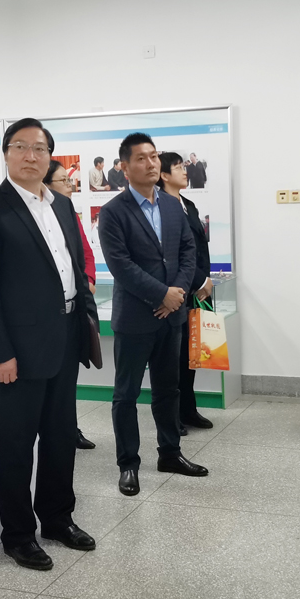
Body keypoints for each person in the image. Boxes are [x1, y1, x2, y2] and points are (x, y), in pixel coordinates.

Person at [0, 118, 99, 571]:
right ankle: (18, 534)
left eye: (39, 148)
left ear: (49, 156)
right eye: (20, 147)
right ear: (5, 153)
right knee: (16, 445)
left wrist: (84, 325)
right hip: (17, 351)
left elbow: (74, 268)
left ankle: (58, 518)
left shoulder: (62, 205)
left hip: (65, 338)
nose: (30, 156)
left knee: (60, 437)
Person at [98, 133, 209, 497]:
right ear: (124, 167)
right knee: (126, 394)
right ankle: (128, 464)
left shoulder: (173, 207)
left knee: (168, 390)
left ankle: (170, 453)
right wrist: (162, 294)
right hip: (135, 318)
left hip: (171, 316)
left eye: (154, 156)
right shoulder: (113, 212)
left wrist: (176, 294)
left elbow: (187, 253)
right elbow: (121, 265)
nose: (150, 163)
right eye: (141, 158)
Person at [158, 152, 215, 434]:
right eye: (178, 167)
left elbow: (199, 247)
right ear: (164, 175)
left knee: (192, 355)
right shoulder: (160, 207)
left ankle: (189, 409)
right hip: (177, 290)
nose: (184, 172)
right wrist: (199, 279)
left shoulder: (188, 205)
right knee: (173, 360)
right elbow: (175, 255)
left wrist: (206, 280)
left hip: (197, 290)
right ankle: (173, 415)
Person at [46, 158, 99, 451]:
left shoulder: (69, 213)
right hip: (47, 315)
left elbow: (86, 254)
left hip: (74, 307)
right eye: (63, 181)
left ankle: (70, 429)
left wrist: (87, 281)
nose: (69, 186)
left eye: (69, 180)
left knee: (67, 381)